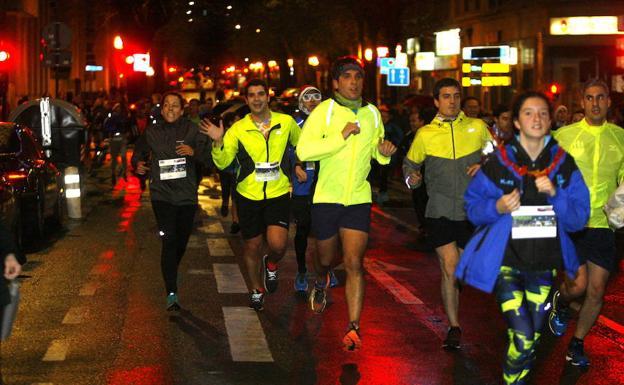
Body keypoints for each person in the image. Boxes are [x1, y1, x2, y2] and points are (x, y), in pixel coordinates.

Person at [455, 91, 590, 385]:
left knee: (530, 340)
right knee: (524, 336)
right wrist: (497, 206)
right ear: (516, 122)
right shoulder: (499, 163)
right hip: (507, 265)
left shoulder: (563, 165)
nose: (536, 118)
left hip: (544, 266)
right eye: (528, 113)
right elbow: (473, 208)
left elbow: (580, 217)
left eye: (542, 112)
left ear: (551, 120)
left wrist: (556, 195)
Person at [297, 56, 397, 351]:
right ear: (337, 82)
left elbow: (378, 153)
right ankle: (320, 277)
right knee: (326, 258)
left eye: (358, 77)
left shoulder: (372, 114)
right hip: (327, 197)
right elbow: (304, 149)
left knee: (354, 262)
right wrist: (340, 137)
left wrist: (385, 152)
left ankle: (354, 326)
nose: (354, 82)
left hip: (357, 198)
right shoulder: (324, 112)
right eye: (348, 77)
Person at [403, 78, 491, 349]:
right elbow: (409, 166)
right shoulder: (426, 134)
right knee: (449, 268)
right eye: (446, 96)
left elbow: (500, 157)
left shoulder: (478, 128)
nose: (452, 101)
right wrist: (413, 180)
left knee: (460, 271)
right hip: (439, 210)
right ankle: (454, 326)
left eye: (455, 96)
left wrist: (484, 165)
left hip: (470, 212)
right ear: (436, 101)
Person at [200, 79, 301, 311]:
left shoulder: (285, 123)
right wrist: (217, 142)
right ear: (246, 100)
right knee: (253, 246)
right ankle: (256, 288)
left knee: (278, 244)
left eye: (261, 94)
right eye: (252, 95)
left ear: (268, 96)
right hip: (248, 195)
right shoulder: (238, 129)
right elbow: (224, 162)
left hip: (277, 193)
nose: (257, 99)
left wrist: (298, 164)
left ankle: (272, 263)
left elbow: (301, 144)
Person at [548, 78, 624, 367]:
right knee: (577, 286)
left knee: (596, 290)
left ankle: (577, 343)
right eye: (590, 98)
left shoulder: (620, 137)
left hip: (604, 225)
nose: (595, 103)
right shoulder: (564, 136)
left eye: (600, 97)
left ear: (608, 102)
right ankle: (561, 300)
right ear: (583, 102)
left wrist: (620, 207)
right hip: (571, 224)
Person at [131, 91, 212, 311]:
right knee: (169, 239)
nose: (170, 109)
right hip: (161, 195)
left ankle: (169, 270)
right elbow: (138, 153)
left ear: (182, 109)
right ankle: (172, 292)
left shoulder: (192, 130)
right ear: (161, 108)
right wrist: (137, 165)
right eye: (166, 105)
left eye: (175, 105)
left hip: (186, 196)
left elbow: (209, 160)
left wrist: (193, 152)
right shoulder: (152, 131)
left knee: (180, 242)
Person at [291, 85, 338, 293]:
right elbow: (287, 149)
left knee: (326, 231)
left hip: (326, 184)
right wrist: (295, 165)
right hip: (303, 185)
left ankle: (326, 269)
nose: (312, 101)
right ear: (301, 101)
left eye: (316, 96)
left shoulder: (331, 122)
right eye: (307, 97)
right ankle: (301, 271)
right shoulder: (295, 123)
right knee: (303, 228)